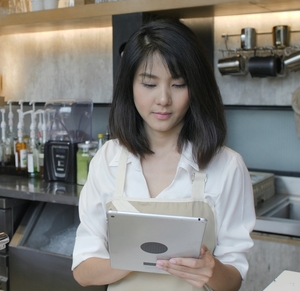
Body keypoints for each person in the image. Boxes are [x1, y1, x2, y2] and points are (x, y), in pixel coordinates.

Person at [72, 19, 256, 291]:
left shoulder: (226, 166)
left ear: (196, 88)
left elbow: (232, 280)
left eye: (178, 84)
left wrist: (211, 270)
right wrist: (140, 257)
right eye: (149, 84)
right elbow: (84, 272)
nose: (163, 99)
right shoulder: (108, 161)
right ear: (130, 86)